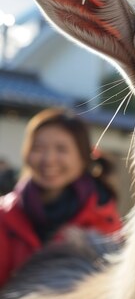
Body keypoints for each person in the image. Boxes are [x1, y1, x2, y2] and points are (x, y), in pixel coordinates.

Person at [0, 108, 122, 288]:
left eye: (61, 149)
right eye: (38, 148)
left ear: (83, 158)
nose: (48, 159)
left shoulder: (106, 227)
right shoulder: (4, 217)